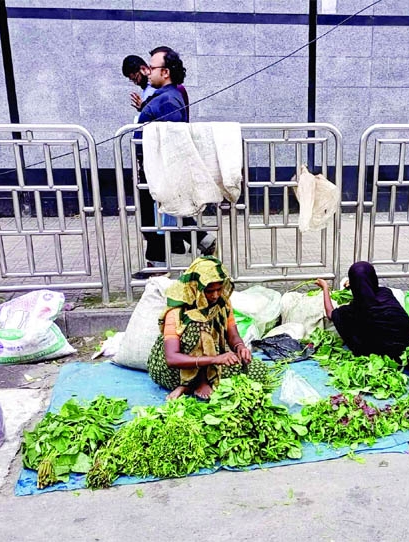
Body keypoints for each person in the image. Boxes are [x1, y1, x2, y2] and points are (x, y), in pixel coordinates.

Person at [122, 48, 212, 277]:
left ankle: (159, 266)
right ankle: (193, 246)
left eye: (151, 68)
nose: (147, 71)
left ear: (165, 72)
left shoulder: (169, 100)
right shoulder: (163, 96)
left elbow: (171, 142)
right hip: (154, 167)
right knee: (163, 214)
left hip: (159, 169)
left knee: (161, 214)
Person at [147, 256, 269, 400]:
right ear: (196, 288)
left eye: (219, 289)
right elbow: (172, 358)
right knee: (198, 321)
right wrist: (215, 359)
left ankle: (191, 386)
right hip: (176, 372)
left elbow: (232, 335)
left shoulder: (222, 303)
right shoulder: (177, 311)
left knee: (259, 372)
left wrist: (240, 347)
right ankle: (196, 382)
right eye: (210, 291)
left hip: (212, 362)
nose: (215, 295)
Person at [315, 261, 409, 360]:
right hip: (407, 345)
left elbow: (330, 314)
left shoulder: (354, 309)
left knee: (356, 327)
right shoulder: (385, 293)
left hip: (378, 354)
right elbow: (367, 288)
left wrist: (325, 288)